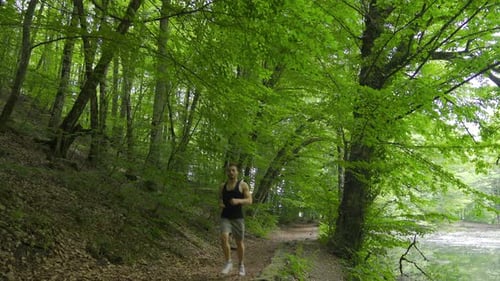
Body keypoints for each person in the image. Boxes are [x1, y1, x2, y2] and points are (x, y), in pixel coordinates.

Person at [219, 163, 253, 276]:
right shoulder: (222, 186)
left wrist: (238, 201)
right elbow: (220, 198)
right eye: (229, 171)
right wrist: (220, 203)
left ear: (237, 172)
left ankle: (241, 264)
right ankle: (228, 262)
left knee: (239, 242)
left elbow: (249, 200)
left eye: (233, 170)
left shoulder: (242, 185)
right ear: (227, 173)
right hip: (225, 217)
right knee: (224, 237)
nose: (231, 173)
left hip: (238, 218)